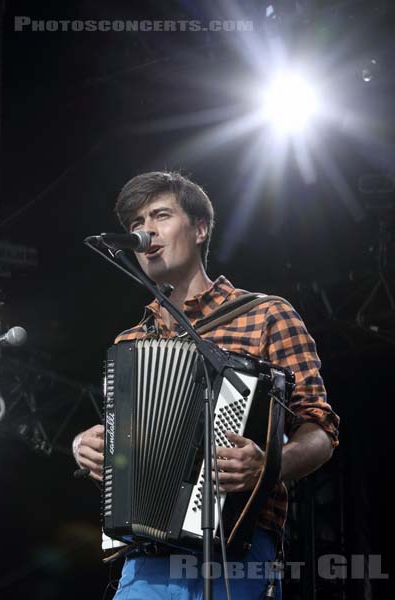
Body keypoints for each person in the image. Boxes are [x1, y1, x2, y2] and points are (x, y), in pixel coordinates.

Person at [72, 171, 339, 599]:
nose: (146, 231)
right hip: (144, 562)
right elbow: (124, 461)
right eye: (136, 224)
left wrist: (267, 467)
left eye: (160, 215)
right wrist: (88, 449)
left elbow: (320, 430)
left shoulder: (267, 314)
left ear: (199, 229)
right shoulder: (129, 344)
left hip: (237, 552)